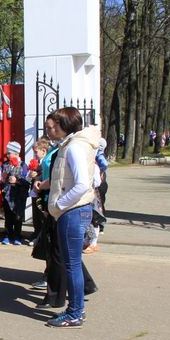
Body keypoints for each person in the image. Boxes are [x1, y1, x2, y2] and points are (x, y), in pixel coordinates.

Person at [45, 107, 100, 328]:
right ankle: (76, 310)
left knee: (72, 265)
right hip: (73, 211)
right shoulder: (72, 145)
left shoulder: (75, 147)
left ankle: (75, 312)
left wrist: (60, 205)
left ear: (63, 125)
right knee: (72, 264)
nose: (50, 129)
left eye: (54, 125)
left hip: (72, 212)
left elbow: (81, 184)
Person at [1, 142, 29, 245]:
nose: (7, 155)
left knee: (18, 216)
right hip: (8, 194)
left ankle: (17, 235)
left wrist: (16, 181)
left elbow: (27, 181)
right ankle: (8, 235)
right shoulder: (5, 165)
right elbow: (2, 180)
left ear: (17, 154)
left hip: (19, 195)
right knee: (8, 216)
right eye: (7, 153)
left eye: (9, 153)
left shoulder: (23, 165)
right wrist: (3, 179)